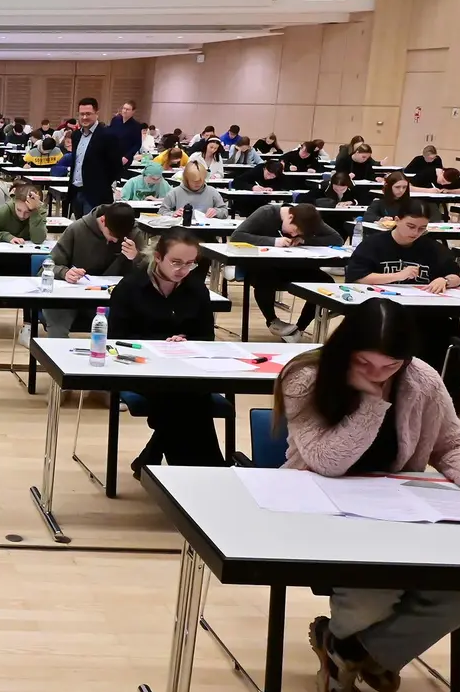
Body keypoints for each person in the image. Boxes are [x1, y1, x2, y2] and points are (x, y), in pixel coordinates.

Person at [272, 297, 460, 692]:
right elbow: (326, 462)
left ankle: (348, 649)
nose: (378, 374)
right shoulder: (306, 376)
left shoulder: (421, 379)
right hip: (320, 506)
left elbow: (452, 445)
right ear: (344, 347)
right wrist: (371, 401)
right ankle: (348, 667)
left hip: (398, 510)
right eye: (365, 363)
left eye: (390, 367)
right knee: (375, 594)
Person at [108, 228, 226, 473]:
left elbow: (206, 336)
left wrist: (186, 341)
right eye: (176, 262)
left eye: (190, 264)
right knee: (187, 399)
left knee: (191, 394)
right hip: (140, 368)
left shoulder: (196, 290)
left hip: (185, 368)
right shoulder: (130, 287)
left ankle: (171, 466)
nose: (182, 270)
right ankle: (207, 471)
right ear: (158, 257)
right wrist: (160, 342)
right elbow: (116, 340)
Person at [230, 202, 344, 339]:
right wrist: (274, 241)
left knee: (325, 282)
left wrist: (304, 240)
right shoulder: (266, 212)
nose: (293, 234)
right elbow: (237, 236)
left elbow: (337, 239)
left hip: (294, 266)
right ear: (290, 217)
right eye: (294, 230)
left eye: (297, 233)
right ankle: (272, 321)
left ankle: (299, 329)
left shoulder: (309, 218)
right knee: (265, 276)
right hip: (264, 267)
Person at [40, 202, 141, 337]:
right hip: (74, 295)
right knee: (56, 311)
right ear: (103, 220)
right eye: (111, 233)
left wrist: (137, 257)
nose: (115, 240)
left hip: (114, 297)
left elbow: (151, 271)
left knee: (137, 313)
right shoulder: (77, 229)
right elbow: (47, 266)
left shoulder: (134, 233)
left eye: (121, 236)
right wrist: (65, 273)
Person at [70, 97, 124, 217]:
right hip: (76, 191)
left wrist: (100, 184)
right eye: (82, 114)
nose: (84, 117)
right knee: (79, 230)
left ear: (96, 113)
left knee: (94, 232)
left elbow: (116, 167)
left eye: (88, 114)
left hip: (96, 195)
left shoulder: (108, 135)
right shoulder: (76, 135)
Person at [160, 162, 227, 217]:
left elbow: (224, 211)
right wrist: (173, 214)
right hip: (181, 231)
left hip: (206, 230)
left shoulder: (212, 192)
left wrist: (217, 212)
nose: (197, 184)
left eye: (200, 181)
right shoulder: (175, 192)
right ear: (186, 179)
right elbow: (162, 211)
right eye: (194, 181)